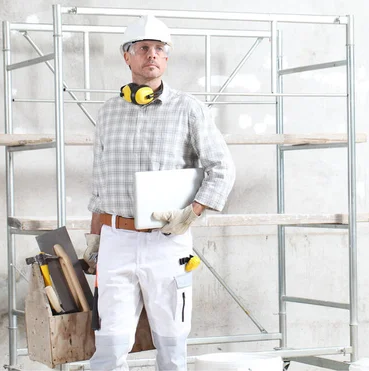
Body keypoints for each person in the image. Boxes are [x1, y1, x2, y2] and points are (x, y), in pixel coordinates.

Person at [84, 14, 236, 371]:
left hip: (167, 244)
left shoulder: (189, 110)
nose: (151, 55)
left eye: (158, 49)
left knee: (171, 348)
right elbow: (98, 184)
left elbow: (222, 168)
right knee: (108, 346)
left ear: (166, 58)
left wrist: (193, 212)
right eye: (142, 48)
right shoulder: (108, 113)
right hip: (116, 241)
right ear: (128, 57)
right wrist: (94, 240)